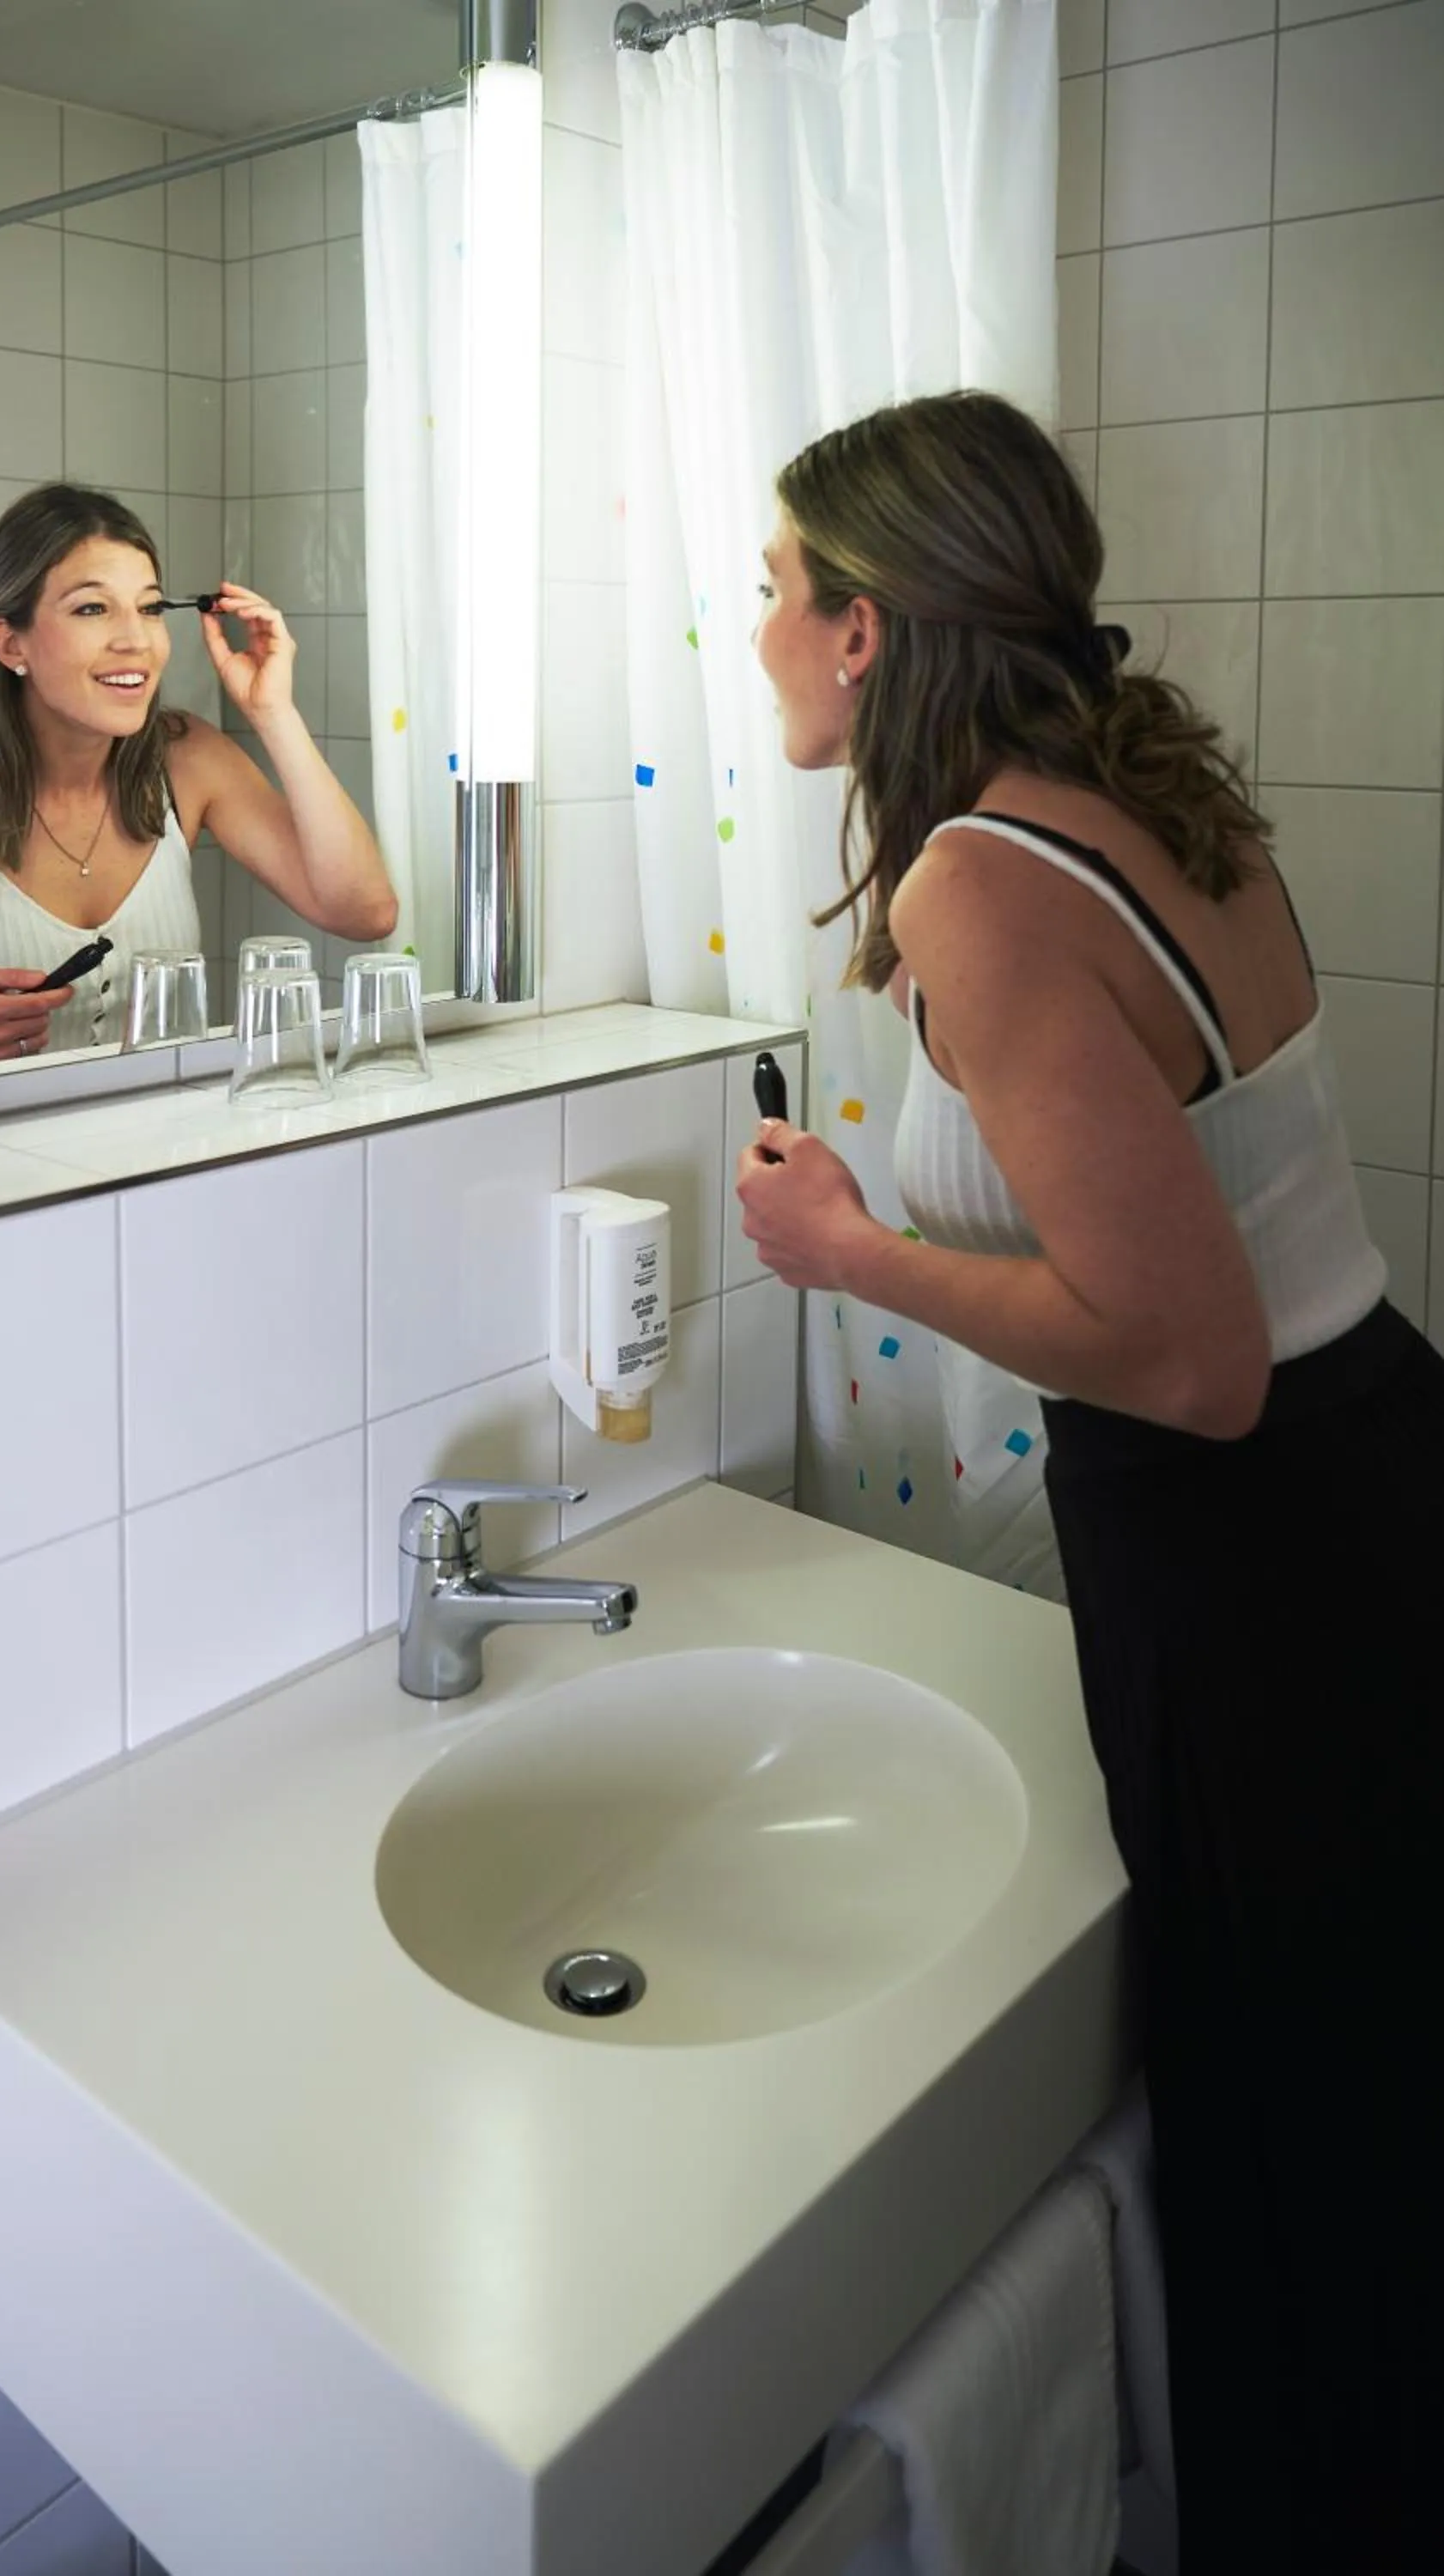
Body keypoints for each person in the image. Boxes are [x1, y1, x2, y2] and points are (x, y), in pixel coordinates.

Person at [736, 389, 1441, 2575]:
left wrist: (852, 1251)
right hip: (1366, 1474)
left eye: (774, 589)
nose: (752, 634)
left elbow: (1188, 1362)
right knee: (1367, 2143)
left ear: (864, 630)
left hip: (1259, 1564)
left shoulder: (980, 882)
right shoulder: (1140, 792)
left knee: (1298, 2168)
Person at [0, 483, 397, 1064]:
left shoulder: (188, 760)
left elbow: (364, 913)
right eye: (92, 608)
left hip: (154, 1119)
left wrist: (273, 713)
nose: (136, 640)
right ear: (11, 644)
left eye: (150, 608)